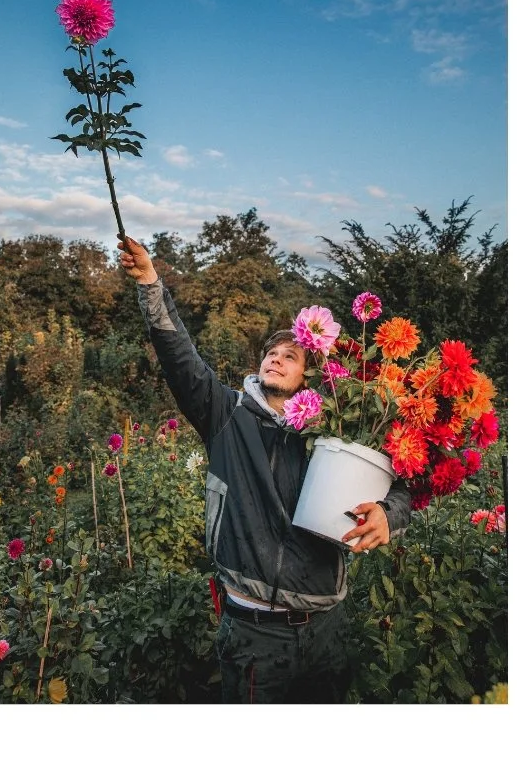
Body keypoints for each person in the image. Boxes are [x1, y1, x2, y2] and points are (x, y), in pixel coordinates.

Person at [117, 234, 412, 703]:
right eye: (270, 353)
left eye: (290, 355)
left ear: (308, 375)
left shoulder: (338, 431)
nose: (275, 358)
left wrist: (388, 514)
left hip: (327, 627)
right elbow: (180, 358)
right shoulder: (226, 415)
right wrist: (151, 283)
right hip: (254, 633)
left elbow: (402, 481)